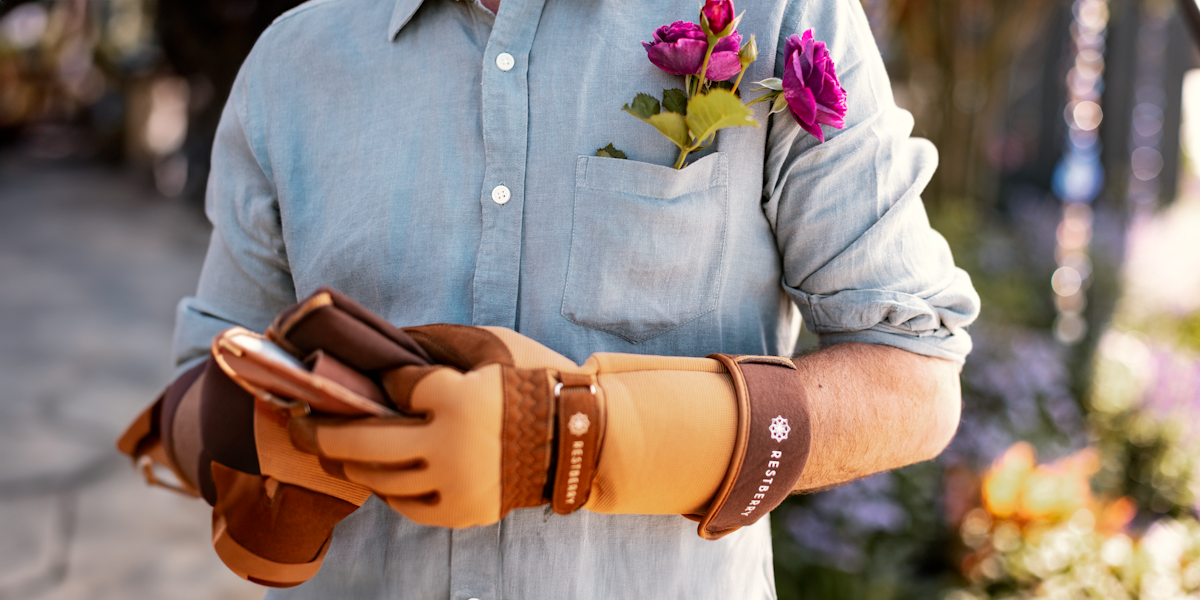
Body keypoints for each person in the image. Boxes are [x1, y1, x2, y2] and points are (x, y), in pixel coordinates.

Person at [122, 0, 980, 597]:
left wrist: (570, 439)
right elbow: (197, 398)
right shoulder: (291, 64)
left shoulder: (779, 16)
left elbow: (915, 377)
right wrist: (300, 436)